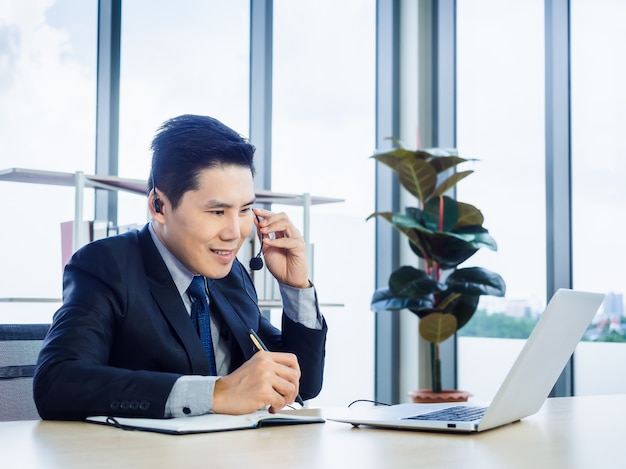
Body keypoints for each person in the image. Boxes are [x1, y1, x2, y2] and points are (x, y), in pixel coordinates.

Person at [33, 114, 327, 420]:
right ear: (158, 206)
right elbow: (56, 384)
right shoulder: (107, 265)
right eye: (216, 211)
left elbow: (301, 384)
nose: (235, 232)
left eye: (245, 210)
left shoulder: (231, 276)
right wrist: (217, 393)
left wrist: (296, 287)